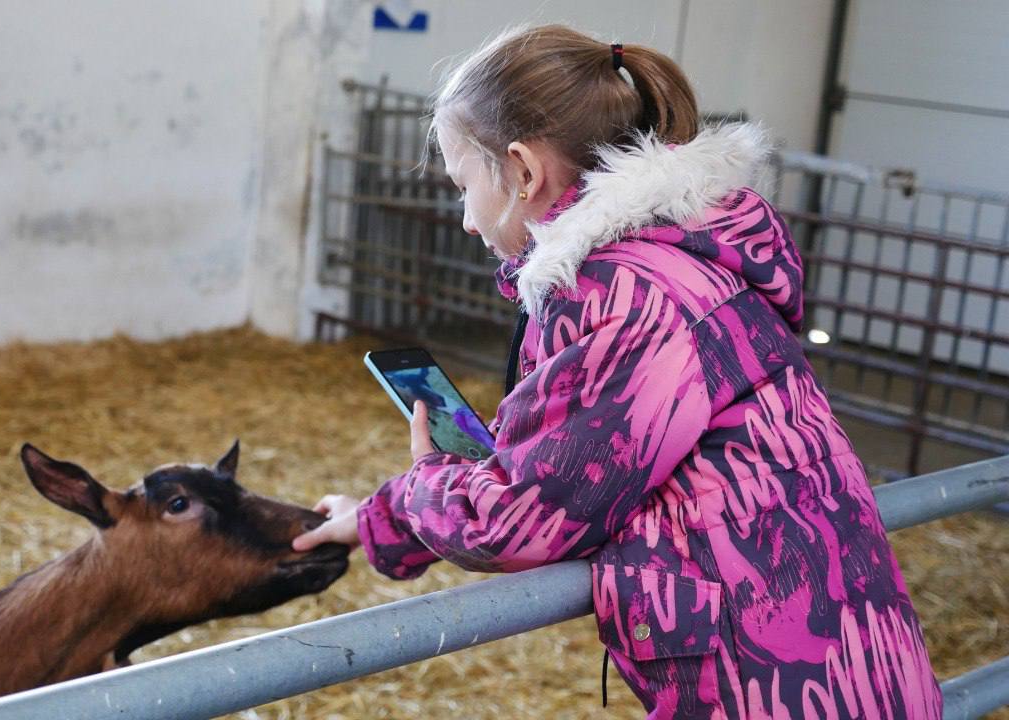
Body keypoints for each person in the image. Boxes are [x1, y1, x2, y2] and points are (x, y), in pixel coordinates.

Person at [293, 24, 941, 718]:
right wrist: (375, 520)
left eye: (463, 185)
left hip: (770, 682)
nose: (465, 220)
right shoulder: (688, 262)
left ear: (521, 170)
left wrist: (426, 482)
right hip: (849, 657)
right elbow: (565, 468)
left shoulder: (622, 299)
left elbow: (521, 519)